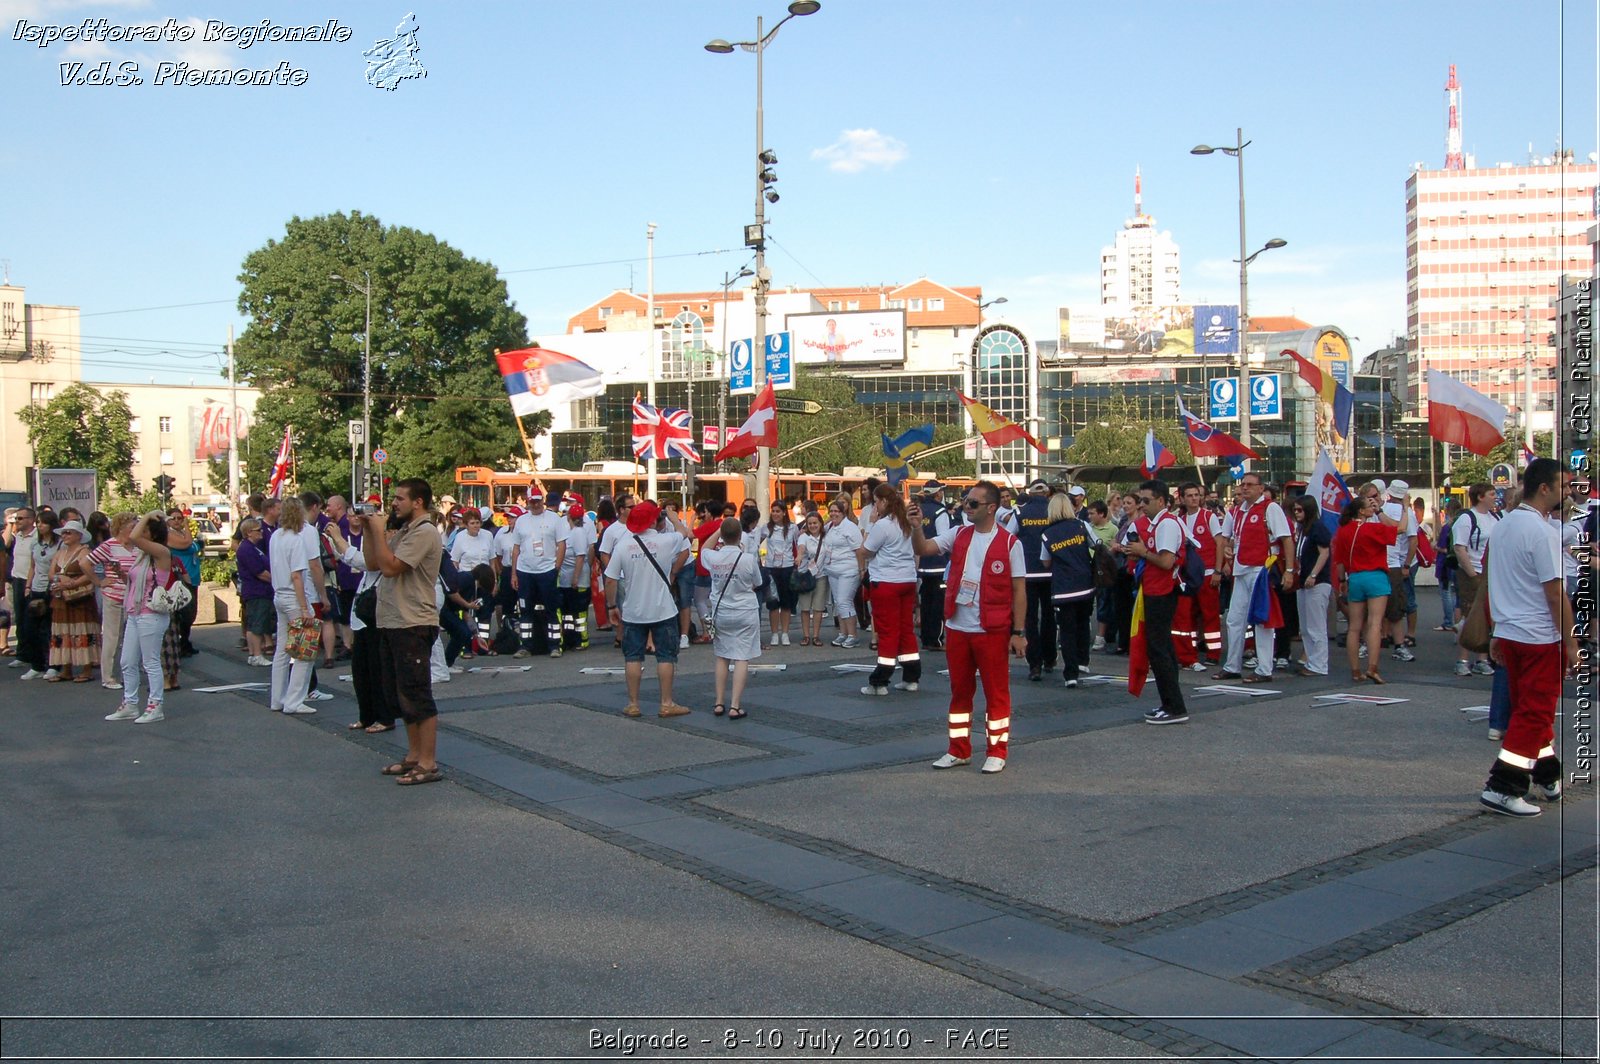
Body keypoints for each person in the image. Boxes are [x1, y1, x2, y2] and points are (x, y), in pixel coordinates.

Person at [1479, 459, 1576, 817]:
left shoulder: (1503, 527)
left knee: (1529, 711)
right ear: (1545, 489)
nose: (1569, 492)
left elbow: (1494, 582)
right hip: (1537, 636)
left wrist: (1495, 630)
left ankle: (1546, 775)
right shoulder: (1542, 533)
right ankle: (1503, 787)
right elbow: (1555, 594)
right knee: (1534, 713)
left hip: (1510, 633)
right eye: (1564, 486)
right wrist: (1570, 642)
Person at [912, 481, 1027, 774]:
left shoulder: (1011, 543)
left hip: (992, 629)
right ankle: (958, 749)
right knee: (959, 690)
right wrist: (915, 526)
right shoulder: (959, 533)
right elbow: (924, 548)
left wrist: (1019, 632)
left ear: (991, 508)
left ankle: (997, 750)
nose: (967, 505)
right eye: (966, 500)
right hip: (957, 626)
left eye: (973, 503)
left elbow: (1019, 591)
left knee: (996, 692)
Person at [361, 478, 445, 784]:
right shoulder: (408, 531)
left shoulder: (424, 532)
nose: (393, 503)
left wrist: (381, 529)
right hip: (394, 621)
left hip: (413, 622)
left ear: (418, 502)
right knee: (401, 694)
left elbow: (391, 567)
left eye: (399, 499)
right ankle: (413, 756)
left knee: (417, 693)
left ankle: (428, 762)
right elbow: (374, 561)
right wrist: (370, 531)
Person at [602, 500, 692, 719]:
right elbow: (685, 533)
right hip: (663, 609)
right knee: (666, 656)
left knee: (632, 657)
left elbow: (611, 579)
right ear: (653, 520)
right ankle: (666, 703)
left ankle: (633, 703)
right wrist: (671, 515)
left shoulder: (623, 545)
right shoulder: (665, 541)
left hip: (633, 610)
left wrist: (612, 605)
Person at [1214, 471, 1296, 682]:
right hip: (1241, 570)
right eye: (1243, 484)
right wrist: (1227, 551)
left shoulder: (1270, 508)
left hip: (1262, 570)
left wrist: (1288, 570)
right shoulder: (1237, 511)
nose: (1245, 488)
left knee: (1262, 619)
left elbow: (1286, 539)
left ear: (1261, 489)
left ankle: (1264, 669)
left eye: (1250, 484)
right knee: (1234, 620)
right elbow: (1229, 539)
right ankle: (1232, 665)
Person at [1125, 481, 1190, 724]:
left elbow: (1165, 561)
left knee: (1159, 649)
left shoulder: (1167, 525)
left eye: (1146, 501)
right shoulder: (1160, 524)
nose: (1141, 505)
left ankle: (1174, 706)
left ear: (1161, 501)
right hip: (1154, 590)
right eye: (1140, 500)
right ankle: (1171, 703)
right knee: (1161, 648)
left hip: (1162, 592)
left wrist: (1142, 553)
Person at [104, 512, 175, 724]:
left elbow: (133, 537)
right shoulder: (142, 556)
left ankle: (155, 705)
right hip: (135, 612)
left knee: (150, 662)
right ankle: (130, 703)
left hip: (151, 614)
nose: (138, 532)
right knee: (127, 661)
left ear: (152, 534)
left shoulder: (161, 552)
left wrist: (146, 517)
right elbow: (134, 579)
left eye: (144, 529)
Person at [324, 516, 392, 734]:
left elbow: (362, 561)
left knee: (377, 670)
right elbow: (349, 558)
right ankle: (366, 715)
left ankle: (384, 716)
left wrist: (337, 537)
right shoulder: (372, 543)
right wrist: (335, 542)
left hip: (379, 615)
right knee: (360, 670)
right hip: (362, 615)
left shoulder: (389, 550)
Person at [858, 484, 921, 696]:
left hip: (886, 582)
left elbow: (866, 551)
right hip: (907, 579)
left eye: (875, 501)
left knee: (886, 630)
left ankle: (880, 681)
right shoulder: (905, 523)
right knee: (906, 629)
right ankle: (911, 677)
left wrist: (870, 524)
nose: (874, 506)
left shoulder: (882, 525)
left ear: (883, 501)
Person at [1331, 494, 1397, 683]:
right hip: (1376, 576)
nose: (1373, 506)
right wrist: (1381, 511)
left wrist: (1342, 579)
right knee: (1375, 624)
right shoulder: (1372, 528)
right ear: (1362, 511)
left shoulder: (1343, 531)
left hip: (1355, 578)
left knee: (1354, 627)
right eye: (1370, 504)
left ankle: (1354, 670)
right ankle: (1372, 668)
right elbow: (1397, 528)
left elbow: (1340, 561)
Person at [702, 517, 762, 718]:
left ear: (722, 536)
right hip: (745, 611)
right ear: (740, 536)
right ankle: (735, 706)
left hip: (722, 611)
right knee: (741, 657)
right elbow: (757, 582)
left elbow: (704, 548)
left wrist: (718, 531)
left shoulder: (713, 558)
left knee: (722, 656)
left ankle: (719, 702)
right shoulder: (747, 559)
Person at [1040, 491, 1095, 688]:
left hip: (1063, 588)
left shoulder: (1047, 534)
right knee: (1083, 623)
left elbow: (1045, 562)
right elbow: (1097, 544)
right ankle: (1083, 661)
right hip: (1085, 583)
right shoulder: (1082, 526)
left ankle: (1070, 673)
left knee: (1067, 630)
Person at [268, 498, 317, 715]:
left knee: (281, 650)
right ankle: (294, 700)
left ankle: (277, 699)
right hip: (294, 599)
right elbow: (297, 575)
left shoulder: (275, 537)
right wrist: (305, 607)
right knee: (303, 652)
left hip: (279, 595)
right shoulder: (296, 540)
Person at [1173, 482, 1223, 671]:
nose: (1194, 498)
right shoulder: (1180, 519)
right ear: (1183, 499)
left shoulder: (1208, 516)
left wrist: (1218, 570)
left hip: (1208, 573)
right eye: (1190, 495)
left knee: (1210, 615)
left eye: (1196, 495)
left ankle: (1213, 653)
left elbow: (1219, 543)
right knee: (1188, 616)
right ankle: (1190, 650)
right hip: (1187, 577)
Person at [1451, 482, 1498, 677]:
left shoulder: (1496, 517)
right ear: (1480, 496)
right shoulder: (1466, 518)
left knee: (1486, 618)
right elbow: (1459, 548)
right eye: (1492, 494)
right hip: (1473, 573)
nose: (1496, 497)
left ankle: (1481, 659)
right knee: (1469, 617)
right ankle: (1462, 660)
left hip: (1491, 573)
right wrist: (1472, 574)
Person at [511, 491, 564, 658]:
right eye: (532, 502)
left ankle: (554, 645)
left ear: (543, 501)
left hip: (547, 570)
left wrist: (556, 567)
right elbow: (516, 548)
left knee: (551, 609)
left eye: (538, 501)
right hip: (525, 571)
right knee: (525, 610)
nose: (535, 504)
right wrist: (514, 573)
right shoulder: (521, 521)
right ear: (527, 502)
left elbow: (561, 544)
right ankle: (525, 645)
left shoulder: (554, 519)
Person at [89, 512, 140, 688]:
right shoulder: (109, 546)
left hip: (133, 596)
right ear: (121, 528)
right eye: (132, 527)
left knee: (132, 637)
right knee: (112, 636)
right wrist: (99, 581)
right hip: (113, 596)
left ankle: (129, 673)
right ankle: (108, 677)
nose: (135, 530)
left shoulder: (137, 547)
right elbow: (85, 562)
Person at [1015, 479, 1057, 682]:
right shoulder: (1054, 512)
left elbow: (1008, 536)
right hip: (1051, 571)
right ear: (1047, 494)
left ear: (1030, 493)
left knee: (1030, 619)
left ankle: (1035, 664)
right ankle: (1050, 658)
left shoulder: (1020, 513)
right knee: (1050, 617)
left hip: (1028, 572)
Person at [46, 519, 98, 683]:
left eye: (68, 532)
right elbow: (51, 573)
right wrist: (58, 580)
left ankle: (87, 668)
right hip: (61, 597)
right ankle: (66, 668)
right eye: (63, 532)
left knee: (82, 629)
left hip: (80, 599)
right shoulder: (60, 553)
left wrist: (71, 583)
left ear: (78, 535)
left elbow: (89, 573)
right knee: (63, 632)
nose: (65, 535)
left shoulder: (85, 552)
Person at [1292, 496, 1333, 676]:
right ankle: (1311, 661)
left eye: (1300, 510)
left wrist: (1313, 574)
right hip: (1303, 582)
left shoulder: (1317, 527)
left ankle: (1319, 664)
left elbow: (1324, 553)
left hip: (1317, 582)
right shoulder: (1303, 529)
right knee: (1306, 626)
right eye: (1295, 510)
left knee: (1316, 625)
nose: (1296, 513)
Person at [1381, 481, 1420, 663]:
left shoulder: (1380, 509)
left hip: (1381, 562)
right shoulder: (1407, 513)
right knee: (1401, 603)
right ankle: (1405, 638)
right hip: (1396, 563)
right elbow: (1413, 540)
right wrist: (1407, 564)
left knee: (1373, 607)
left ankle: (1377, 638)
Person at [19, 510, 60, 680]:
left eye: (43, 522)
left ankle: (54, 665)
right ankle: (37, 665)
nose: (40, 526)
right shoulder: (35, 544)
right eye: (38, 522)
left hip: (51, 589)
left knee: (49, 630)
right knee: (30, 629)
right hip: (35, 588)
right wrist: (28, 586)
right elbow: (32, 566)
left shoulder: (59, 545)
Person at [914, 480, 953, 649]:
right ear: (938, 494)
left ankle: (925, 638)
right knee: (938, 605)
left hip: (923, 564)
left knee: (926, 603)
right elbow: (944, 539)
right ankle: (935, 640)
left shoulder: (919, 511)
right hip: (939, 565)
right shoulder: (940, 512)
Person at [820, 499, 865, 647]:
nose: (833, 514)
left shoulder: (850, 528)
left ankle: (853, 635)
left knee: (845, 601)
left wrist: (861, 569)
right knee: (838, 603)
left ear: (843, 512)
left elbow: (858, 550)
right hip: (833, 570)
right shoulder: (829, 527)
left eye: (836, 511)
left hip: (849, 570)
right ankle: (843, 633)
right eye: (831, 511)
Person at [556, 501, 595, 651]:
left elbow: (580, 556)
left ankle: (582, 639)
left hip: (577, 579)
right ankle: (570, 637)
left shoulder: (578, 533)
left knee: (579, 611)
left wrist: (575, 578)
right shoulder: (572, 532)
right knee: (568, 611)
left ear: (569, 517)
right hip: (568, 577)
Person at [759, 500, 799, 646]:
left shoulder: (792, 528)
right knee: (773, 603)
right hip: (771, 568)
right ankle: (774, 633)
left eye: (778, 511)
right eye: (773, 511)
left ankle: (785, 633)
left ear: (784, 513)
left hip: (787, 567)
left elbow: (799, 544)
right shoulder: (766, 528)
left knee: (786, 603)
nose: (775, 514)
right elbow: (756, 542)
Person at [794, 511, 830, 646]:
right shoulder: (804, 537)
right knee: (804, 607)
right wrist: (799, 556)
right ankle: (806, 635)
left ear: (820, 523)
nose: (813, 526)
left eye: (815, 523)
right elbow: (801, 548)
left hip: (821, 575)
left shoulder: (826, 537)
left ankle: (816, 636)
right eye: (810, 524)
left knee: (818, 607)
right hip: (805, 574)